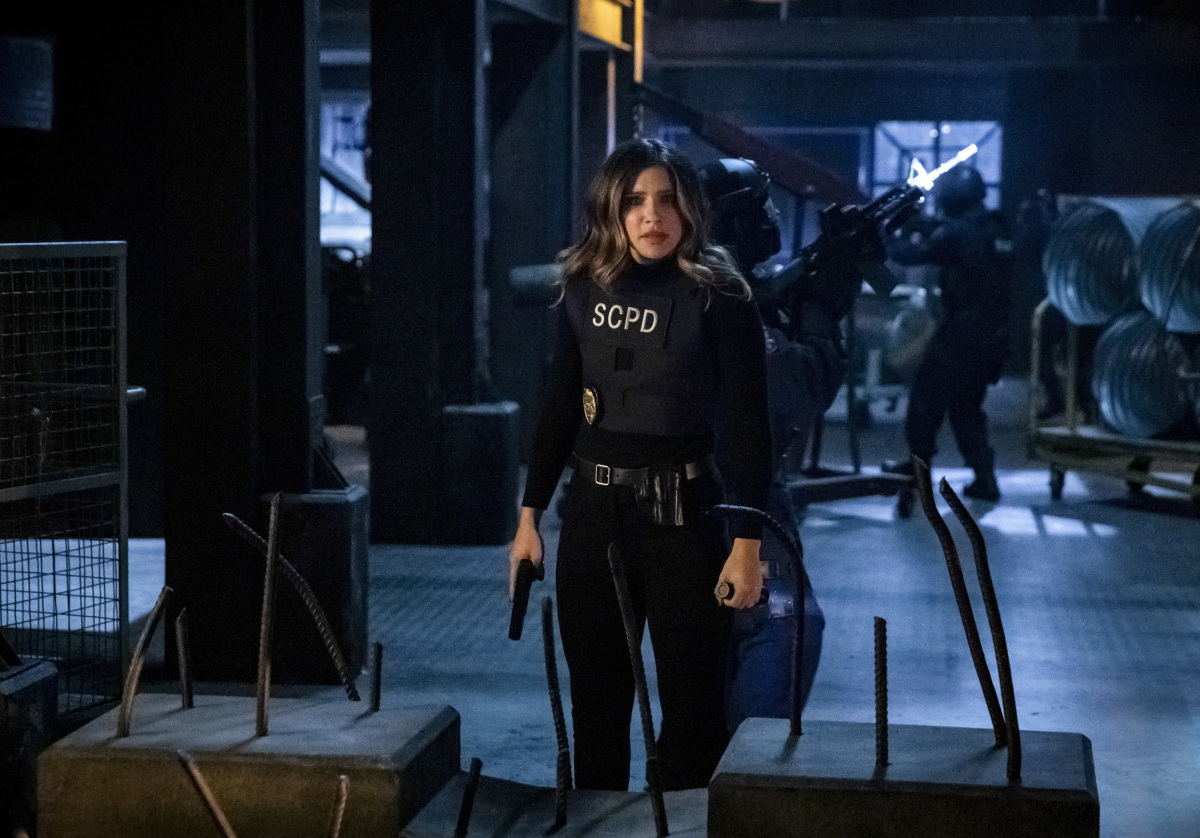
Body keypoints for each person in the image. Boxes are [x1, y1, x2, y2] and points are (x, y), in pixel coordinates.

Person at [508, 139, 771, 791]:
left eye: (666, 201)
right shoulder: (582, 288)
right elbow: (559, 406)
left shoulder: (720, 295)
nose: (652, 216)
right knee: (597, 713)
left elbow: (747, 426)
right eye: (634, 202)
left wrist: (747, 545)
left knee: (694, 719)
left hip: (687, 524)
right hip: (593, 520)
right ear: (612, 210)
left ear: (690, 209)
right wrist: (528, 519)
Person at [697, 157, 831, 730]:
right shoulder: (724, 299)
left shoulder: (708, 287)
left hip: (710, 486)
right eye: (761, 208)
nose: (772, 218)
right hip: (734, 492)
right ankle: (749, 768)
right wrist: (822, 319)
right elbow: (797, 391)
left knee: (723, 635)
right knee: (785, 621)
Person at [883, 164, 1013, 501]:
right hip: (994, 334)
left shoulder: (958, 233)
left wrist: (886, 237)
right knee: (967, 406)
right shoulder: (996, 228)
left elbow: (911, 255)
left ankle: (916, 473)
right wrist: (922, 224)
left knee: (925, 400)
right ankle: (985, 478)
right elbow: (952, 237)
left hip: (962, 332)